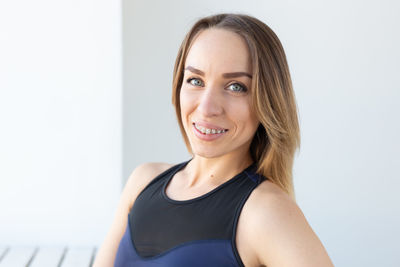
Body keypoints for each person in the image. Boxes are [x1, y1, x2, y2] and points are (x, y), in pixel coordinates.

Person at [93, 13, 334, 267]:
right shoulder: (143, 182)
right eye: (196, 80)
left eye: (235, 87)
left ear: (267, 101)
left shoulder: (264, 213)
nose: (207, 107)